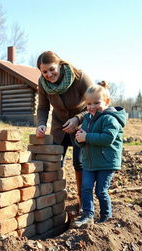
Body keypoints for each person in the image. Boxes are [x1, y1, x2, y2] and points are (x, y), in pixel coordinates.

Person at [36, 51, 93, 210]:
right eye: (44, 71)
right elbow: (42, 107)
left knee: (79, 163)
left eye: (52, 69)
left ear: (60, 65)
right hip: (59, 128)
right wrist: (41, 124)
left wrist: (78, 119)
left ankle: (83, 200)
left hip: (81, 126)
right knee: (54, 162)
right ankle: (55, 197)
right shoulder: (43, 83)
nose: (49, 74)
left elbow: (96, 104)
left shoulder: (80, 77)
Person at [72, 81, 126, 227]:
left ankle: (105, 216)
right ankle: (88, 215)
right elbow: (82, 139)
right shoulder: (88, 119)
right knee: (86, 188)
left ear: (107, 102)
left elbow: (108, 138)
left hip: (106, 162)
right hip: (89, 162)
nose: (92, 107)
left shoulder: (109, 118)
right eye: (89, 104)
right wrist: (79, 139)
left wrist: (87, 137)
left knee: (101, 190)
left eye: (96, 102)